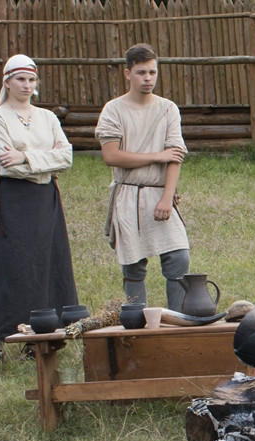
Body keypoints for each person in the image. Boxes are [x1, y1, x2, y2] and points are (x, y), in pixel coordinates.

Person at [0, 54, 78, 368]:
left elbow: (66, 157)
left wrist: (24, 158)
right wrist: (38, 162)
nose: (27, 85)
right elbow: (3, 165)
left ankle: (37, 340)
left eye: (31, 79)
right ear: (7, 81)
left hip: (44, 200)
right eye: (20, 79)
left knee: (45, 268)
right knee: (10, 269)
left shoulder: (47, 117)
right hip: (12, 201)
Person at [95, 43, 190, 311]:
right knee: (133, 265)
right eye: (141, 73)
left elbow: (175, 156)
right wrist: (157, 156)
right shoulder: (114, 110)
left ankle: (177, 322)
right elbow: (111, 156)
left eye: (152, 72)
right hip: (127, 195)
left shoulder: (168, 108)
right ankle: (137, 327)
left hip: (160, 193)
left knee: (178, 257)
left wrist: (167, 198)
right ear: (128, 74)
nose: (148, 78)